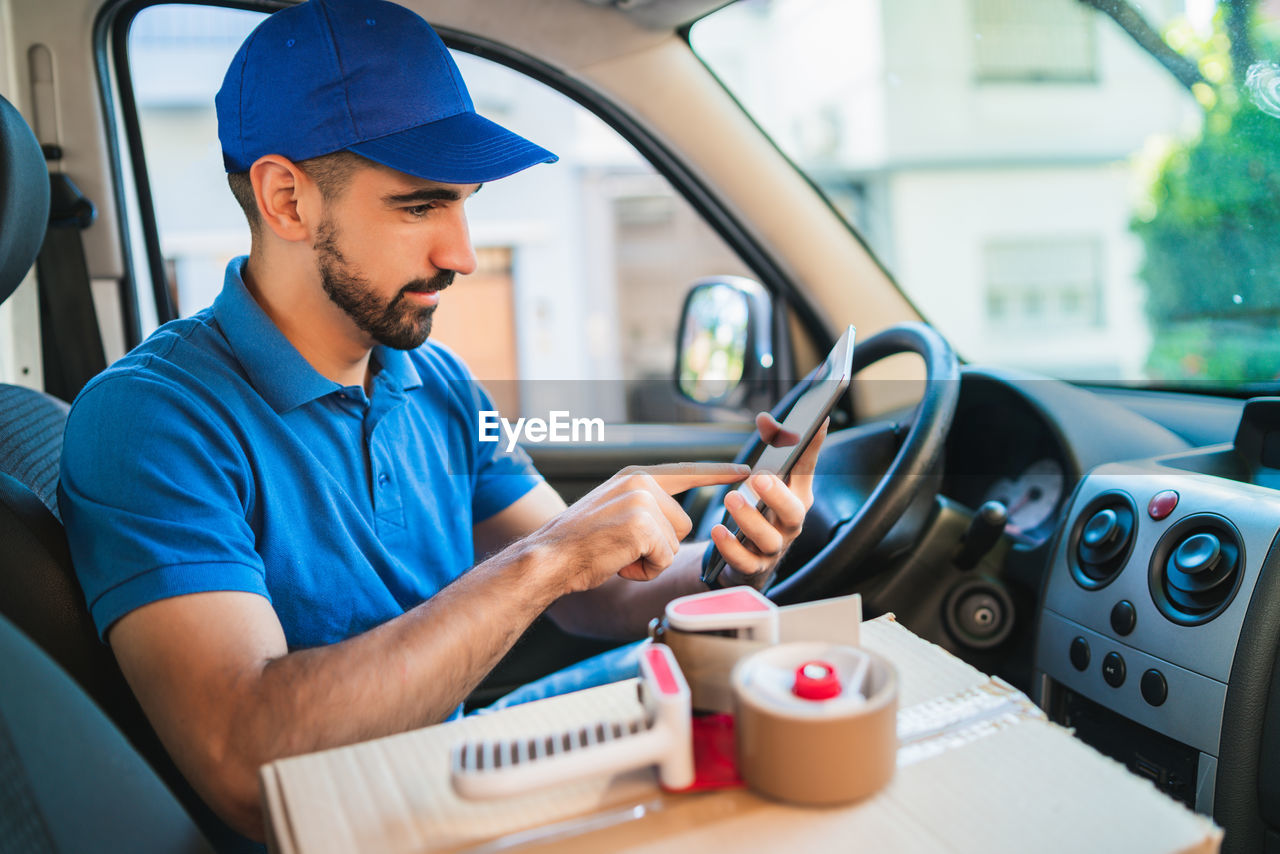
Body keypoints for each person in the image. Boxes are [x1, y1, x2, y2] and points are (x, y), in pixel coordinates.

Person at [58, 0, 826, 843]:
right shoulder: (149, 420)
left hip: (449, 779)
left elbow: (589, 594)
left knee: (751, 698)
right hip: (353, 829)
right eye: (420, 207)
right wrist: (546, 559)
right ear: (287, 199)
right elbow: (249, 764)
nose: (461, 252)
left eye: (464, 204)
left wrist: (720, 568)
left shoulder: (437, 380)